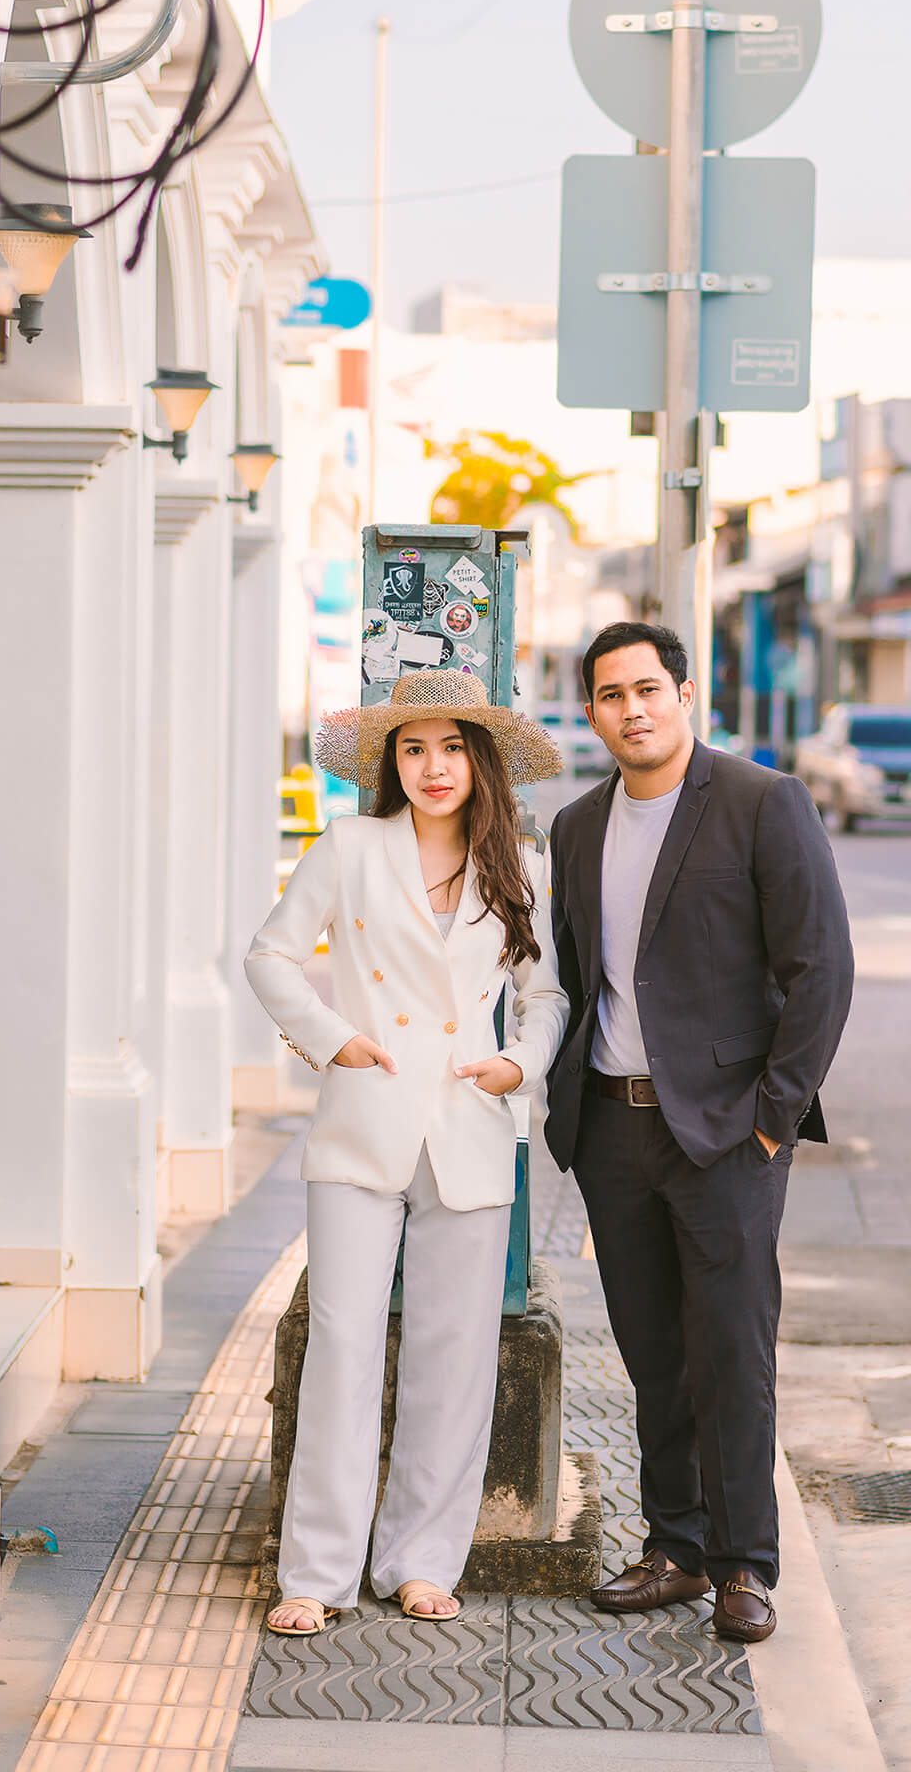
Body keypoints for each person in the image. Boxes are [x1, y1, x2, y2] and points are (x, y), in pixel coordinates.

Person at [545, 623, 853, 1645]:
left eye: (646, 688)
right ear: (589, 712)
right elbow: (575, 975)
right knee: (652, 1352)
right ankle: (672, 1547)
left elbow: (820, 969)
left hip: (724, 1135)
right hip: (611, 1127)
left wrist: (770, 1119)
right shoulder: (577, 826)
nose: (630, 709)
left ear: (684, 694)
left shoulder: (762, 804)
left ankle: (741, 1564)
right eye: (608, 694)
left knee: (730, 1349)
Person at [246, 670, 568, 1636]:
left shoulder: (520, 864)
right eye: (415, 748)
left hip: (471, 1124)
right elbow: (269, 956)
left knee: (455, 1353)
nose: (435, 767)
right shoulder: (349, 847)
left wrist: (519, 1064)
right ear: (392, 761)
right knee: (343, 1342)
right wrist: (330, 1036)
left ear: (483, 760)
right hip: (365, 1117)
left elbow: (545, 997)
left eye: (454, 746)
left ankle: (424, 1559)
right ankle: (317, 1571)